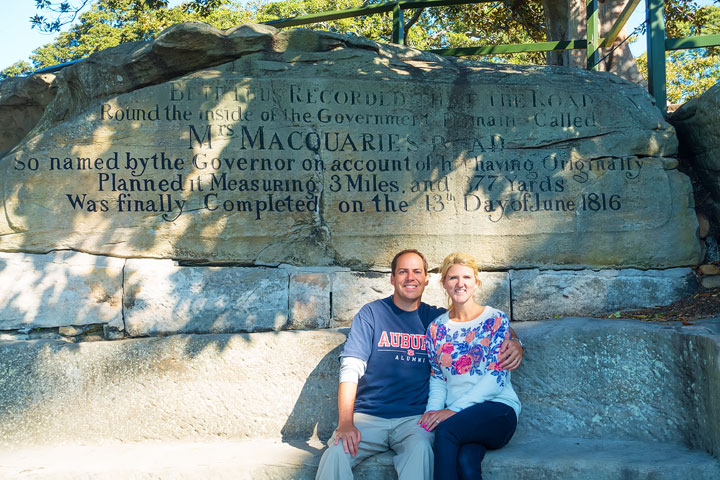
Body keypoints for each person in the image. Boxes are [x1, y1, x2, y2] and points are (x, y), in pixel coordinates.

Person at [315, 249, 524, 480]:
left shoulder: (434, 319)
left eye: (417, 272)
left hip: (413, 420)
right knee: (336, 451)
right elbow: (351, 369)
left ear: (426, 279)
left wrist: (516, 341)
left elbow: (478, 322)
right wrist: (345, 422)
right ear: (392, 278)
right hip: (369, 417)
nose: (410, 277)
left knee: (425, 448)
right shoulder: (375, 315)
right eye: (403, 272)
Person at [419, 252, 521, 480]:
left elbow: (496, 379)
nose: (460, 283)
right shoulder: (436, 329)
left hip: (498, 410)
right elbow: (437, 378)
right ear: (444, 283)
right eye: (453, 277)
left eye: (466, 277)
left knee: (446, 431)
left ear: (476, 282)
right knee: (466, 462)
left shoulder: (495, 320)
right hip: (462, 421)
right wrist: (432, 413)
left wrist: (451, 412)